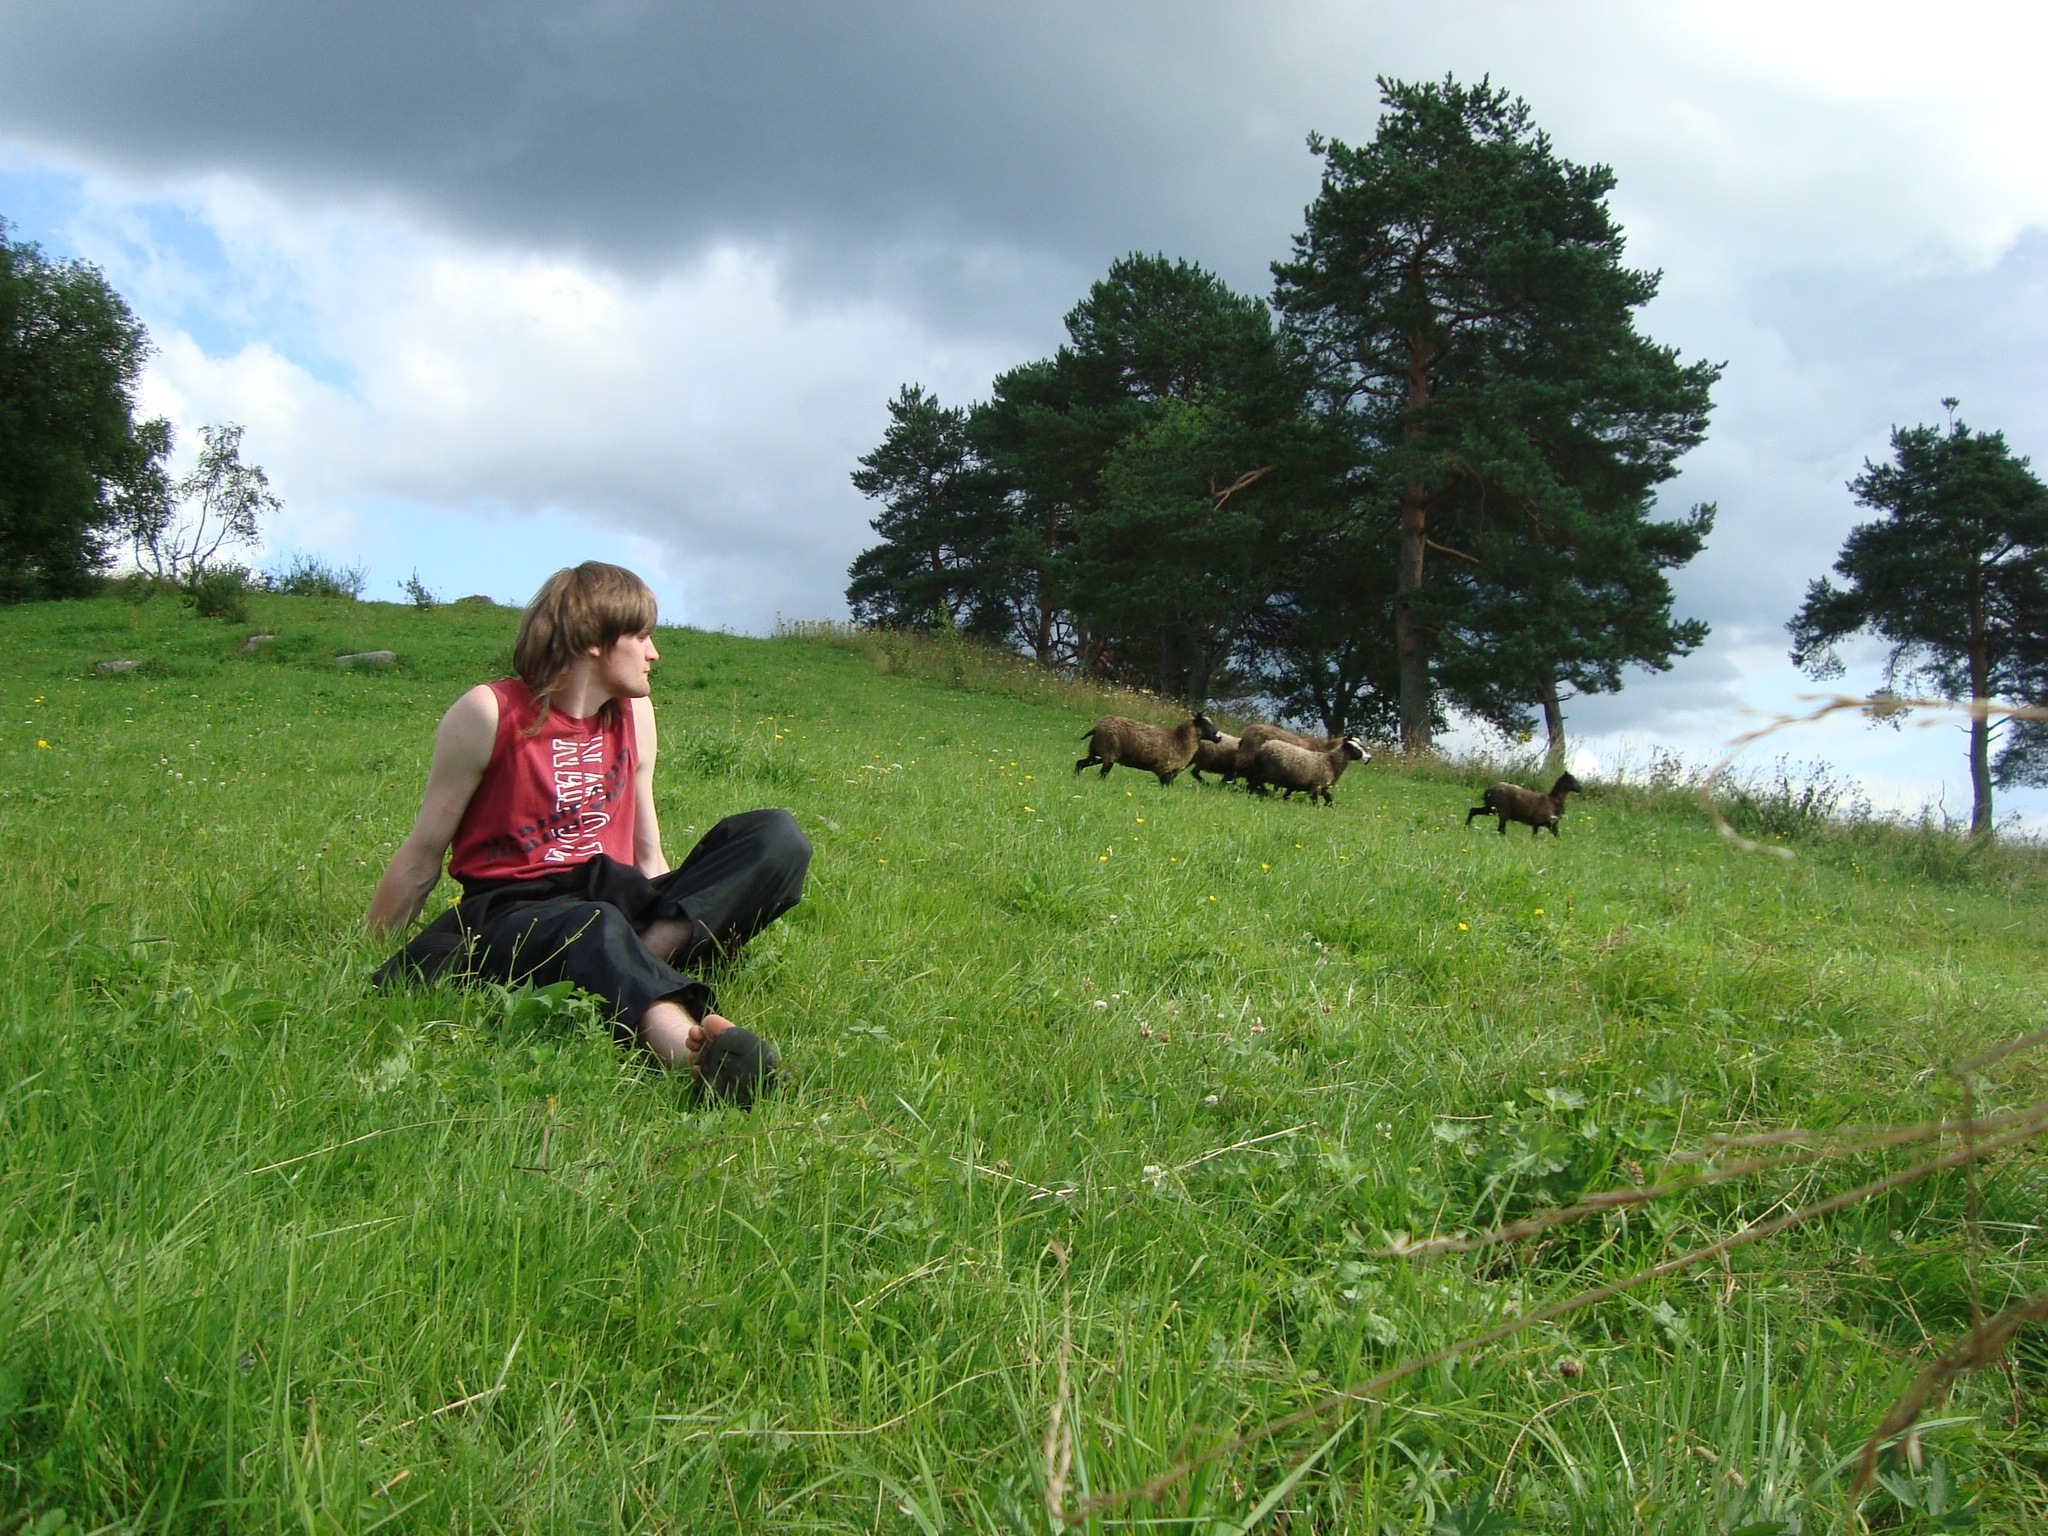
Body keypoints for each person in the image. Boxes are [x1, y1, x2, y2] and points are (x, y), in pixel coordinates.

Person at [364, 561, 810, 1106]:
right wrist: (367, 949)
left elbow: (647, 852)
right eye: (640, 636)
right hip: (515, 912)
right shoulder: (489, 712)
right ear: (593, 640)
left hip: (615, 894)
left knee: (776, 836)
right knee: (593, 924)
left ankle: (641, 961)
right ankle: (692, 1058)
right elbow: (423, 852)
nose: (654, 653)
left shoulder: (635, 713)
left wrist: (677, 909)